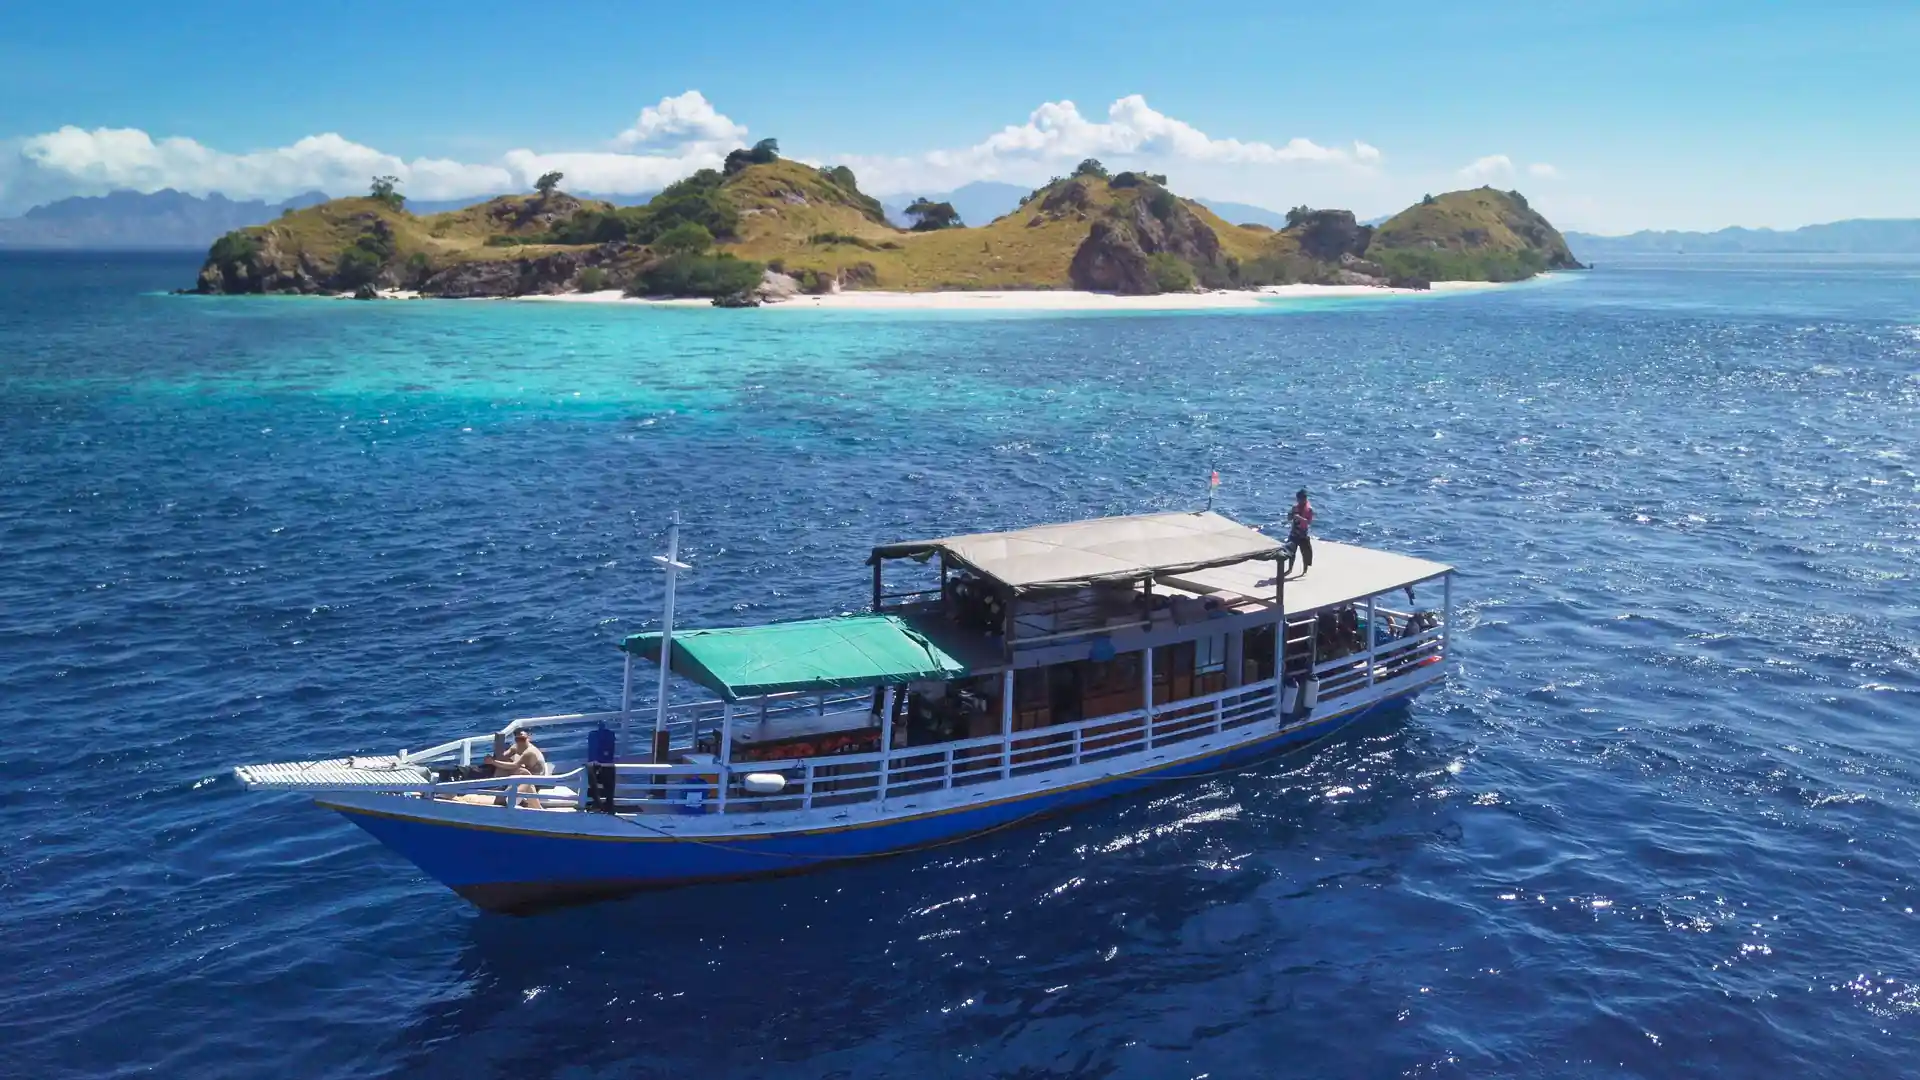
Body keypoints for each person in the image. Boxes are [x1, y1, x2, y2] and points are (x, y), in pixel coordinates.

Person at [1286, 488, 1314, 576]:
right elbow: (1289, 518)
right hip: (1294, 533)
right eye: (1298, 499)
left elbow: (1308, 522)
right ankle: (1290, 569)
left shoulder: (1309, 509)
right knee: (1291, 552)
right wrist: (1290, 515)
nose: (1299, 501)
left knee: (1305, 552)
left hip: (1303, 534)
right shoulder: (1295, 507)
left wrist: (1300, 518)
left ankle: (1305, 570)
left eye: (1302, 499)